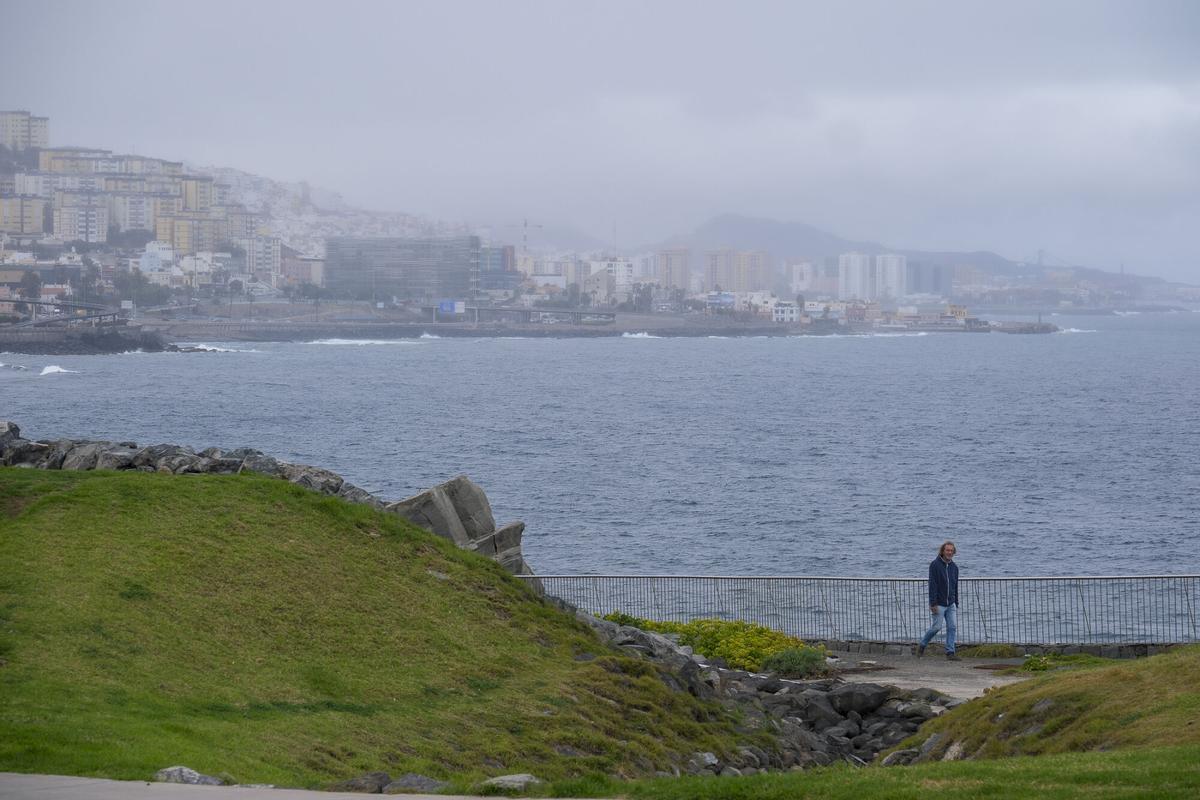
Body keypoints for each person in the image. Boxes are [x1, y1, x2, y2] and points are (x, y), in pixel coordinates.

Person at [918, 540, 960, 660]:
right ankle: (922, 644)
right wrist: (933, 603)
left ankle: (950, 652)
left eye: (951, 551)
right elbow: (933, 584)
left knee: (952, 627)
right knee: (936, 627)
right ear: (942, 551)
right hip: (939, 603)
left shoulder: (954, 568)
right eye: (947, 550)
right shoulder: (935, 565)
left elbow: (955, 586)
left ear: (954, 552)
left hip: (951, 603)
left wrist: (956, 601)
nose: (949, 552)